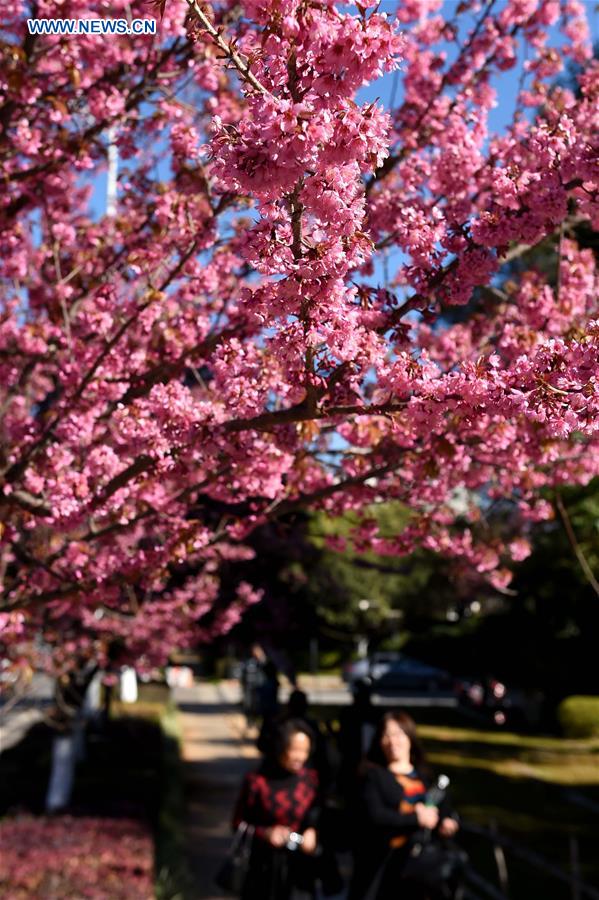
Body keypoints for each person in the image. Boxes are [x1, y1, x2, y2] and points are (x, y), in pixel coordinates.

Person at [348, 711, 460, 900]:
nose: (393, 741)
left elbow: (443, 809)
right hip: (382, 868)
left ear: (410, 738)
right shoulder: (373, 776)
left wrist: (446, 823)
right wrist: (416, 818)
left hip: (419, 869)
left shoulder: (425, 777)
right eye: (387, 735)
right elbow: (375, 817)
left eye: (398, 734)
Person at [232, 718, 321, 899]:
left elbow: (318, 814)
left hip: (299, 871)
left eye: (305, 751)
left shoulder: (311, 780)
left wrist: (312, 831)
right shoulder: (257, 781)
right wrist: (265, 833)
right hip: (262, 869)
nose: (300, 757)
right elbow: (237, 823)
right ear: (280, 748)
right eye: (295, 750)